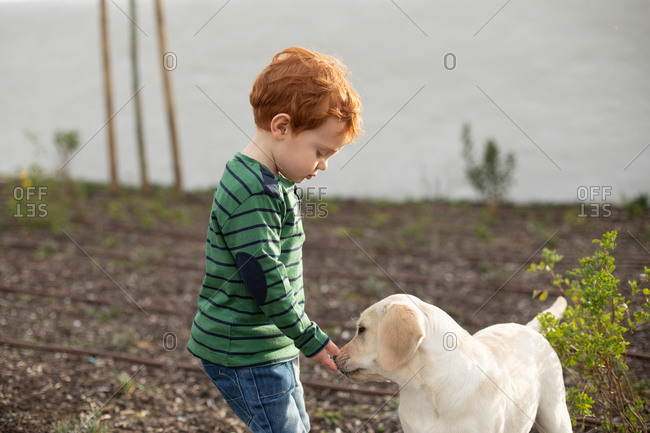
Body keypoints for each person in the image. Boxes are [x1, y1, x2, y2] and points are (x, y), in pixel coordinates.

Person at [187, 46, 363, 433]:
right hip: (245, 350)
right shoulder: (254, 192)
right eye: (320, 151)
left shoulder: (272, 181)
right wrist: (309, 338)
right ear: (282, 128)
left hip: (269, 343)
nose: (324, 165)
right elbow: (264, 280)